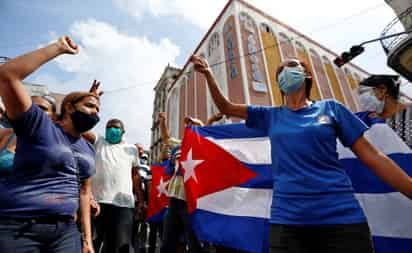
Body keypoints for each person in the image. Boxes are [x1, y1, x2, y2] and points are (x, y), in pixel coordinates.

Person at [191, 55, 412, 253]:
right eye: (281, 71)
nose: (286, 70)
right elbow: (227, 107)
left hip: (341, 220)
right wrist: (209, 75)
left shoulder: (331, 109)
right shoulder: (271, 115)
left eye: (292, 65)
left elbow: (372, 156)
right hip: (288, 224)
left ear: (306, 74)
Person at [0, 36, 99, 253]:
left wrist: (87, 240)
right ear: (70, 108)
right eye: (90, 106)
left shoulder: (88, 148)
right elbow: (7, 75)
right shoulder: (38, 126)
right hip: (19, 229)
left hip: (65, 232)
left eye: (98, 109)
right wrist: (58, 48)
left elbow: (83, 192)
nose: (95, 113)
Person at [87, 119, 143, 253]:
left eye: (116, 127)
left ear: (123, 132)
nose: (112, 129)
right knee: (92, 243)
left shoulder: (131, 149)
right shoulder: (98, 142)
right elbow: (84, 131)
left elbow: (135, 175)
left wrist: (140, 201)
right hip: (97, 203)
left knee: (120, 246)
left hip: (123, 206)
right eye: (109, 127)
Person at [0, 95, 58, 175]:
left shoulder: (57, 147)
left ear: (53, 117)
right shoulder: (7, 134)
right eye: (31, 107)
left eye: (42, 108)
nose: (35, 111)